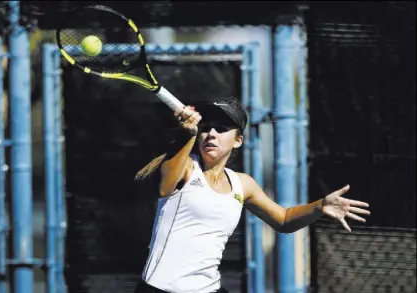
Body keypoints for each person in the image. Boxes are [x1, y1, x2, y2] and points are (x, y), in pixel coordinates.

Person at [133, 96, 370, 293]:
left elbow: (285, 220)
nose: (211, 134)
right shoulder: (185, 166)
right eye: (205, 128)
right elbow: (165, 187)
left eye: (222, 129)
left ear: (238, 141)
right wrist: (187, 135)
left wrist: (320, 206)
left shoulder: (242, 184)